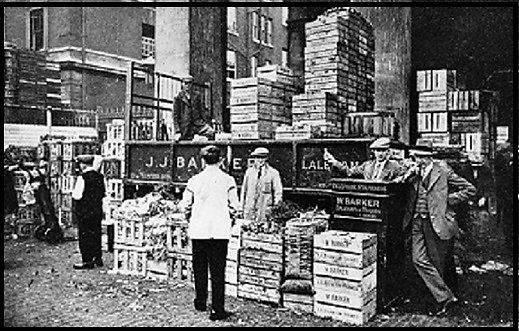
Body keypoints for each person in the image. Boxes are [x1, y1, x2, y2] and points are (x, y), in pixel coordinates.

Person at [397, 139, 476, 316]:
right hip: (416, 220)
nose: (415, 160)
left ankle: (441, 301)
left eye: (417, 157)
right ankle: (445, 296)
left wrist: (447, 200)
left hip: (435, 222)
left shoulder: (443, 169)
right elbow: (400, 183)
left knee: (436, 261)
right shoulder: (414, 172)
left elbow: (469, 189)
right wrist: (408, 174)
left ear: (426, 158)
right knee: (418, 259)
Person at [181, 145, 240, 321]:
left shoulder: (194, 180)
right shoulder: (228, 180)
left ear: (202, 160)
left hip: (199, 230)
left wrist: (190, 215)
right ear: (220, 160)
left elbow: (185, 205)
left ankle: (200, 301)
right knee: (217, 271)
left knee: (199, 268)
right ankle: (217, 309)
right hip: (220, 231)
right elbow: (235, 207)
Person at [71, 155, 106, 270]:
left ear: (83, 165)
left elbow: (77, 195)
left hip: (85, 212)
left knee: (85, 235)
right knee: (96, 234)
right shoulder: (100, 177)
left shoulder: (83, 177)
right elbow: (103, 193)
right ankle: (98, 258)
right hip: (97, 210)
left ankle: (87, 260)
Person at [323, 137, 405, 181]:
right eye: (378, 150)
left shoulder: (394, 166)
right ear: (373, 152)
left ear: (387, 151)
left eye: (383, 150)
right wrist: (334, 162)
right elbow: (349, 172)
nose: (380, 154)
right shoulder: (367, 165)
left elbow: (403, 179)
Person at [240, 147, 283, 222]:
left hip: (264, 211)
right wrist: (241, 208)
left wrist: (276, 208)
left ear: (266, 158)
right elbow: (244, 191)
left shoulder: (273, 173)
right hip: (249, 210)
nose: (260, 160)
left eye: (262, 157)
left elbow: (278, 192)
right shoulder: (249, 172)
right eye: (257, 157)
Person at [31, 161, 65, 245]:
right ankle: (50, 226)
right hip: (40, 190)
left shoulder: (41, 179)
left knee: (47, 209)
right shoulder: (38, 176)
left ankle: (52, 227)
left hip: (42, 189)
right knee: (46, 209)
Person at [173, 75, 215, 141]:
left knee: (211, 132)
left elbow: (202, 111)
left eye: (189, 83)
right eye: (185, 83)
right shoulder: (178, 97)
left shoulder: (197, 95)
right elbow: (175, 116)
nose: (187, 85)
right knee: (183, 143)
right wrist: (177, 131)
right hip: (185, 126)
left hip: (197, 124)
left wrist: (206, 123)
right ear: (182, 84)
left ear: (192, 84)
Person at [494, 141, 513, 255]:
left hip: (507, 197)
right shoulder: (503, 163)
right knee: (508, 221)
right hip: (507, 197)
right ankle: (509, 244)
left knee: (508, 221)